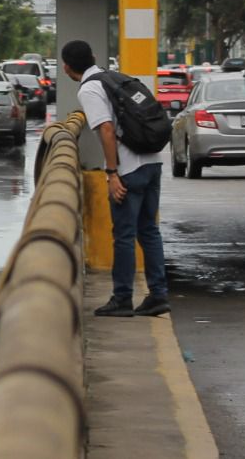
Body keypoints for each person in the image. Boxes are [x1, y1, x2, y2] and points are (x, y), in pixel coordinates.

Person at [63, 39, 171, 318]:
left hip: (129, 169)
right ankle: (158, 295)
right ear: (94, 56)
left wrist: (112, 173)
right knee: (149, 230)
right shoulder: (115, 77)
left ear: (66, 68)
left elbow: (107, 130)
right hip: (152, 162)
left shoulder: (89, 89)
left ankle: (122, 298)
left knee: (123, 235)